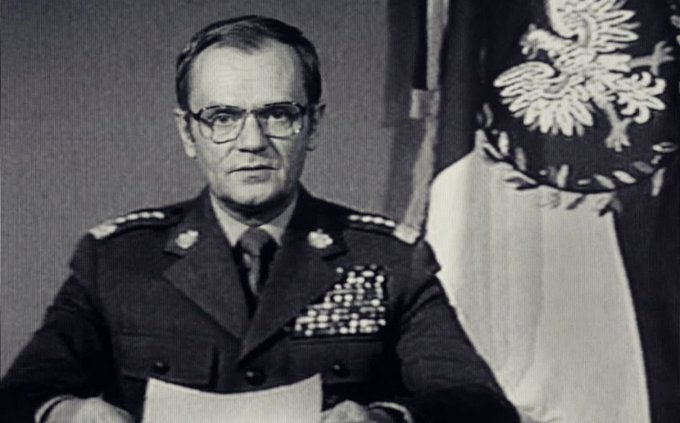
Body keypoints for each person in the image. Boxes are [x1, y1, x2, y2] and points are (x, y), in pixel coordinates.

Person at [0, 15, 518, 423]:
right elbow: (20, 396)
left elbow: (479, 407)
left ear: (313, 124)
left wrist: (386, 419)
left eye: (278, 114)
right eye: (222, 117)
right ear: (188, 133)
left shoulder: (390, 261)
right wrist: (67, 413)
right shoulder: (117, 261)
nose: (252, 141)